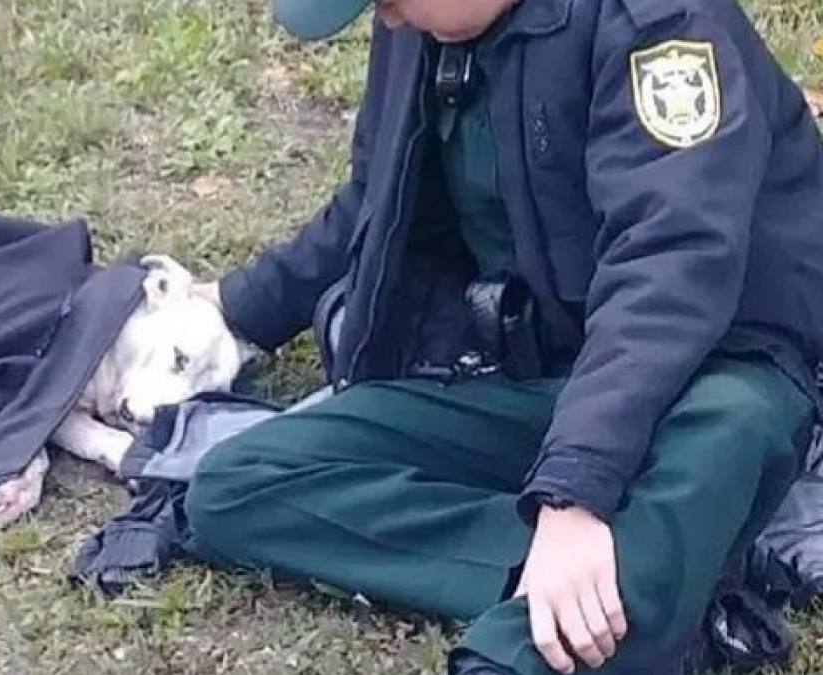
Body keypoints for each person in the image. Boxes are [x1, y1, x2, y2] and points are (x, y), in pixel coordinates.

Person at [183, 0, 823, 673]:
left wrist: (572, 494)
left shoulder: (659, 23)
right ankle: (617, 577)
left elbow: (669, 271)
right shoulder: (427, 25)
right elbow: (374, 200)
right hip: (559, 380)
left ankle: (533, 642)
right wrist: (237, 307)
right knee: (237, 482)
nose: (389, 20)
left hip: (718, 370)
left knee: (733, 424)